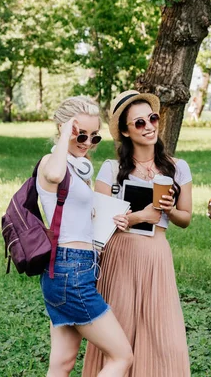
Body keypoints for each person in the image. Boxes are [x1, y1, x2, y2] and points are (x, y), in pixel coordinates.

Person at [82, 90, 192, 377]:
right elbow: (100, 224)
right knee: (120, 329)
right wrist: (137, 217)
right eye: (139, 123)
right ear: (126, 131)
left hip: (156, 256)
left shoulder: (178, 168)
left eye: (152, 119)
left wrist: (170, 209)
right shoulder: (111, 169)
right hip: (120, 256)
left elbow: (186, 219)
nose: (149, 126)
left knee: (164, 336)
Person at [36, 96, 133, 377]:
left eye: (94, 137)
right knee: (121, 356)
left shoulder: (78, 168)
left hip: (70, 269)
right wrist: (67, 132)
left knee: (62, 364)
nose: (87, 143)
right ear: (64, 129)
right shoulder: (51, 163)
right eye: (82, 134)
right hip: (70, 270)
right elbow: (54, 174)